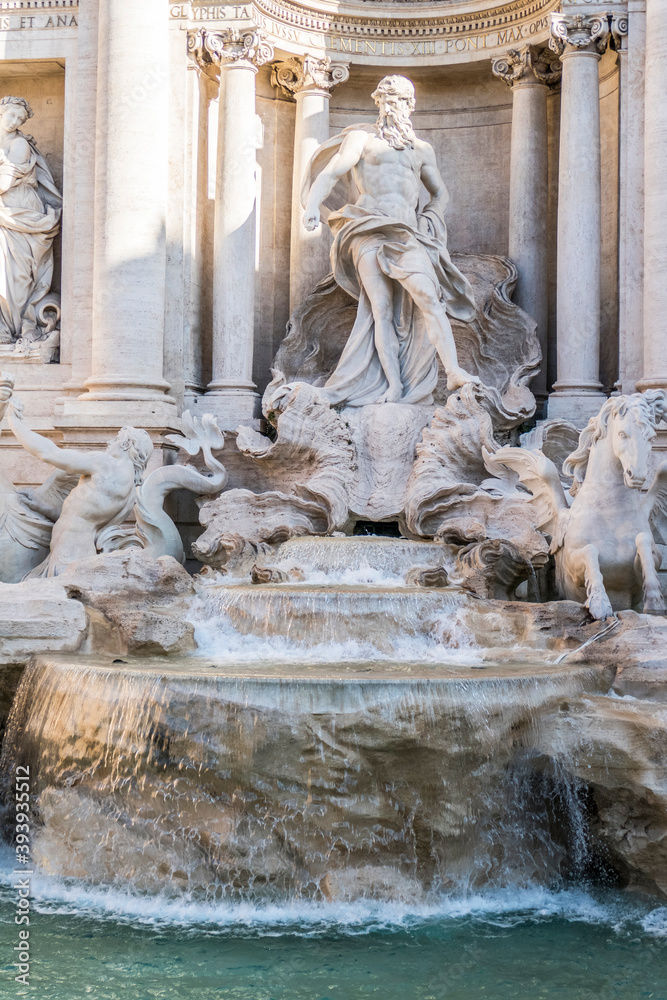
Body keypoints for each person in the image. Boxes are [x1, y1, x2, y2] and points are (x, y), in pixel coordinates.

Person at [302, 75, 478, 406]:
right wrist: (312, 206)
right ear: (379, 102)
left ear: (410, 105)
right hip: (367, 228)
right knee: (379, 309)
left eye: (401, 100)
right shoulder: (360, 139)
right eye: (389, 99)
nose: (395, 106)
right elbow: (331, 174)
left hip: (407, 233)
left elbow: (440, 193)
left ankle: (453, 370)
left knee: (430, 298)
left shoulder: (422, 150)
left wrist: (429, 218)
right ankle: (394, 387)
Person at [8, 400, 153, 577]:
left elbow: (49, 453)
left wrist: (14, 424)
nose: (109, 442)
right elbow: (81, 517)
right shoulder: (130, 491)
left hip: (68, 557)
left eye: (116, 439)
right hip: (79, 555)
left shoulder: (106, 464)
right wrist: (42, 507)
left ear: (125, 445)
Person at [0, 96, 61, 344]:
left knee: (14, 275)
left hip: (18, 213)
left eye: (20, 119)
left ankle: (9, 329)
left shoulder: (19, 145)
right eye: (11, 115)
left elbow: (3, 183)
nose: (14, 121)